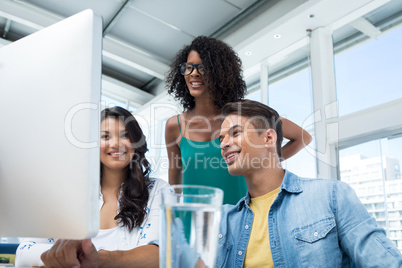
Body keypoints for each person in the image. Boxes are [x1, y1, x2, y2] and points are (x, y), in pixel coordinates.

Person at [214, 100, 402, 267]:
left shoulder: (331, 196)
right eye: (221, 138)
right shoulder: (224, 221)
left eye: (235, 133)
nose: (223, 144)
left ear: (269, 138)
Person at [165, 35, 312, 205]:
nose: (194, 74)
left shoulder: (243, 112)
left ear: (219, 72)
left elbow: (302, 137)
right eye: (188, 68)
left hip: (242, 219)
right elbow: (174, 185)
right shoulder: (174, 126)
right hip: (195, 224)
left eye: (203, 68)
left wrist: (264, 160)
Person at [15, 106, 169, 268]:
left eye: (125, 135)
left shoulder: (157, 190)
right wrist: (75, 256)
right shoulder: (68, 194)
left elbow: (161, 255)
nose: (116, 143)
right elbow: (24, 253)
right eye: (105, 136)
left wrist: (97, 258)